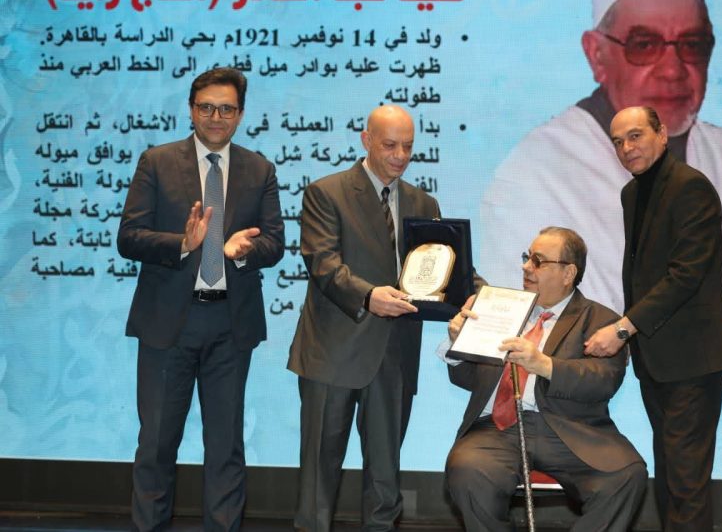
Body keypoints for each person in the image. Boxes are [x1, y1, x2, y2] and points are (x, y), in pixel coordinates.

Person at [481, 0, 722, 334]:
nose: (673, 69)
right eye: (644, 45)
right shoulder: (531, 174)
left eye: (692, 45)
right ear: (597, 55)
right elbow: (516, 327)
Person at [118, 67, 285, 531]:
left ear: (240, 115)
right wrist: (184, 244)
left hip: (230, 325)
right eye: (206, 107)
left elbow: (274, 243)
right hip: (167, 324)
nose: (215, 117)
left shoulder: (260, 169)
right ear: (191, 111)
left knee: (226, 446)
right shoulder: (156, 162)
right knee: (156, 444)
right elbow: (129, 237)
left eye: (226, 109)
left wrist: (242, 250)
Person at [287, 105, 442, 531]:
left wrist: (478, 298)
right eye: (390, 145)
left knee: (385, 478)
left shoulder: (423, 202)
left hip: (394, 355)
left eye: (408, 146)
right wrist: (369, 296)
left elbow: (444, 268)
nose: (400, 156)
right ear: (366, 140)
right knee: (319, 476)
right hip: (333, 352)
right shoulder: (326, 193)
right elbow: (323, 265)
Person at [585, 106, 722, 531]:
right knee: (669, 476)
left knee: (686, 482)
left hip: (694, 359)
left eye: (636, 136)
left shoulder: (691, 187)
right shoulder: (632, 193)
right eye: (618, 141)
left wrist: (623, 328)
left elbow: (685, 275)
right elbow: (641, 274)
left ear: (662, 134)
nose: (627, 148)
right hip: (656, 358)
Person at [441, 226, 646, 532]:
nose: (526, 267)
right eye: (527, 258)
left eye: (538, 261)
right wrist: (457, 342)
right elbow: (470, 378)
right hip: (497, 430)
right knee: (467, 471)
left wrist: (545, 365)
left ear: (568, 273)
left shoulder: (601, 320)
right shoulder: (502, 309)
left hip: (570, 430)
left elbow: (604, 379)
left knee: (627, 476)